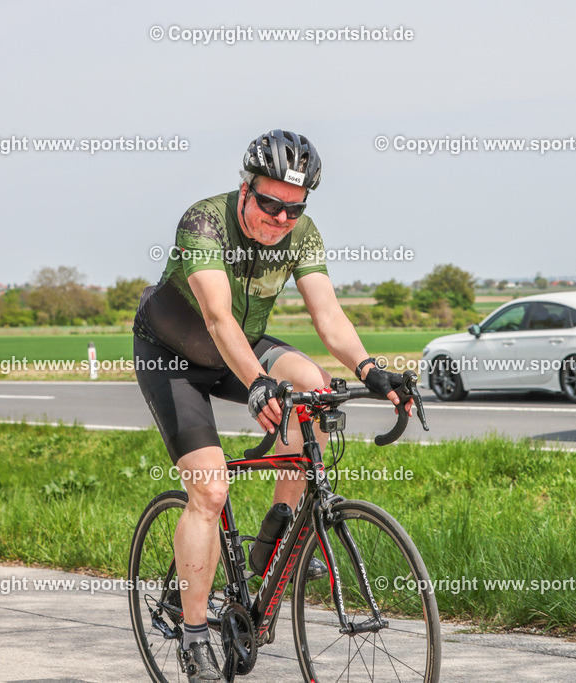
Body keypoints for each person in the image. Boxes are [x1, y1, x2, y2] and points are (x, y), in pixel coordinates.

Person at [133, 129, 410, 681]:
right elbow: (217, 318)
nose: (280, 219)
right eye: (269, 204)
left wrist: (371, 370)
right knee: (210, 489)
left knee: (314, 385)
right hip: (174, 354)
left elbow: (328, 315)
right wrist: (258, 382)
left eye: (293, 208)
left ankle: (276, 534)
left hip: (242, 348)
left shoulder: (300, 233)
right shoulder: (204, 221)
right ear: (245, 189)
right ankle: (192, 638)